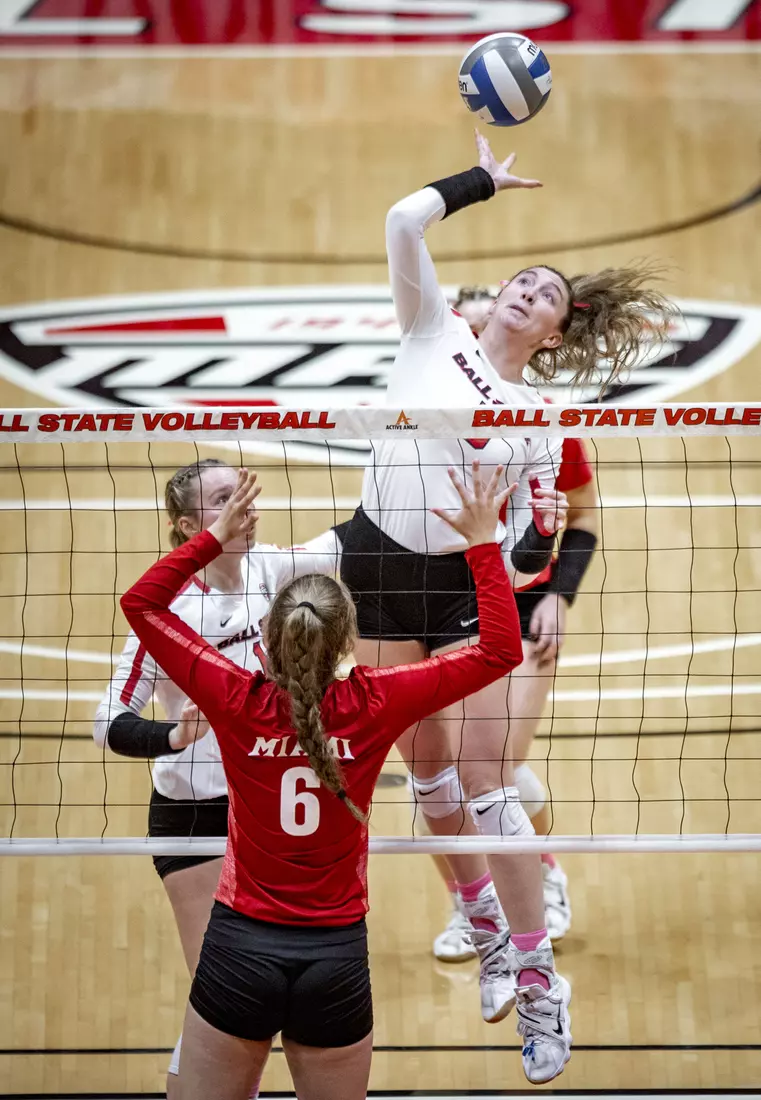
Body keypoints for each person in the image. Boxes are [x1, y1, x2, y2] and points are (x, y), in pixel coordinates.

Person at [339, 131, 672, 1082]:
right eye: (521, 280)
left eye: (547, 296)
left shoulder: (542, 420)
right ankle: (484, 928)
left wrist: (526, 560)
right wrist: (479, 182)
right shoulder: (430, 330)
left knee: (487, 791)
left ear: (555, 334)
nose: (526, 292)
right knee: (430, 785)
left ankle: (537, 986)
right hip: (376, 565)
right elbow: (406, 219)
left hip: (459, 585)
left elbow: (542, 531)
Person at [119, 462, 528, 1100]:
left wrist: (204, 539)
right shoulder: (374, 702)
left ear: (267, 640)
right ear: (347, 642)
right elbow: (500, 651)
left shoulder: (234, 698)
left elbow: (141, 605)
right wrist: (481, 545)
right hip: (334, 960)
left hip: (239, 948)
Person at [93, 457, 342, 1100]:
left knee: (261, 1000)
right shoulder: (171, 609)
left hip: (261, 816)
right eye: (223, 498)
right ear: (188, 527)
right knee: (224, 993)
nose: (245, 503)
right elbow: (108, 720)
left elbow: (354, 541)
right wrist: (171, 736)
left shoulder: (276, 570)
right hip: (194, 820)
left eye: (245, 490)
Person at [429, 290, 599, 960]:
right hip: (430, 601)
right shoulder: (419, 407)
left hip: (519, 601)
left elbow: (580, 519)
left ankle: (542, 873)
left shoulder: (543, 424)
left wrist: (558, 595)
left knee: (494, 765)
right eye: (467, 323)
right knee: (437, 775)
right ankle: (470, 906)